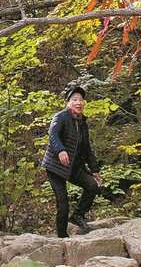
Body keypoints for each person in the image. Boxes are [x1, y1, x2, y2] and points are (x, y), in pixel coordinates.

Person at [41, 86, 102, 237]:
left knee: (93, 185)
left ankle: (78, 216)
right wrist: (61, 150)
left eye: (81, 100)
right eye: (74, 99)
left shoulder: (82, 123)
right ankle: (62, 237)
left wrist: (95, 170)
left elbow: (87, 149)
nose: (78, 103)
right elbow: (53, 135)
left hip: (73, 167)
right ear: (68, 103)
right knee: (63, 204)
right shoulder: (60, 117)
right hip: (55, 167)